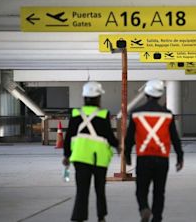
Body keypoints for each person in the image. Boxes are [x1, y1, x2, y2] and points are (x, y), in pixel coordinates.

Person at [125, 79, 184, 222]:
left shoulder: (135, 113)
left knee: (141, 189)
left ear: (146, 93)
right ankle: (157, 218)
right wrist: (179, 157)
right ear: (160, 95)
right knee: (159, 191)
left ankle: (144, 208)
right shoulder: (168, 114)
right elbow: (174, 138)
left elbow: (130, 138)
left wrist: (127, 155)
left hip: (144, 157)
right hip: (162, 159)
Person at [63, 81, 119, 222]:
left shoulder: (76, 114)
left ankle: (79, 217)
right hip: (99, 159)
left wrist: (66, 155)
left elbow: (69, 136)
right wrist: (118, 146)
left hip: (80, 158)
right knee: (100, 189)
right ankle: (101, 217)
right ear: (98, 98)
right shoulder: (103, 114)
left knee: (82, 190)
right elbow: (108, 135)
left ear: (84, 97)